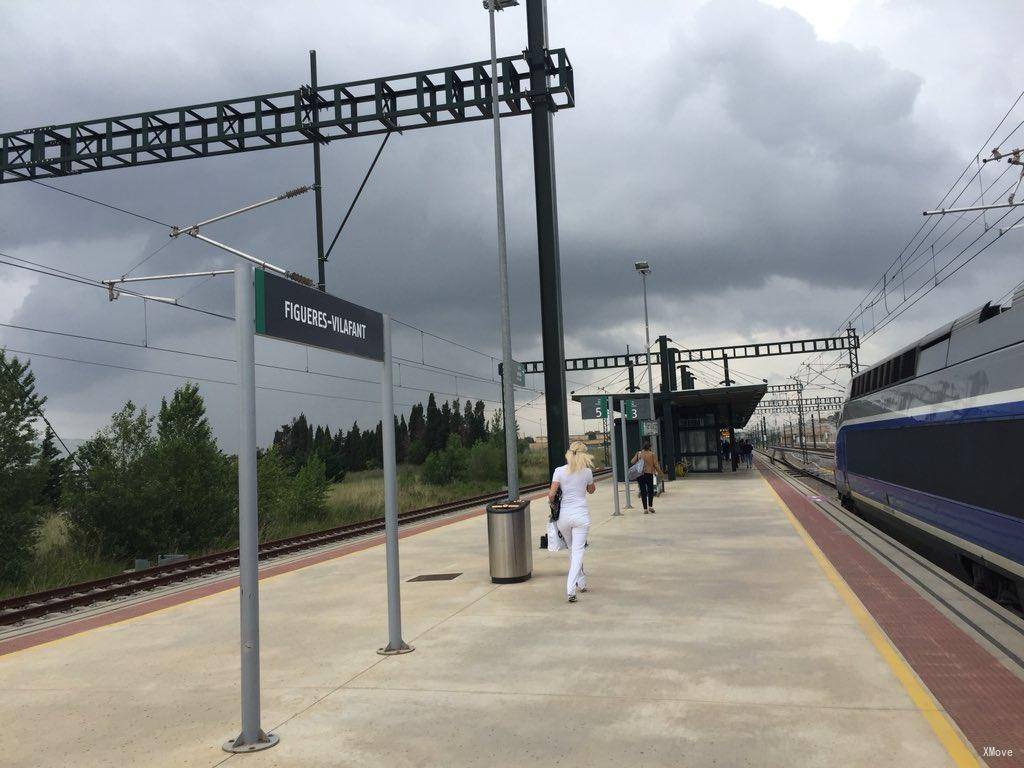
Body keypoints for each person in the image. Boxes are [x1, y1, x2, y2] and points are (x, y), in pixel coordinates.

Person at [548, 440, 597, 603]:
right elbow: (591, 490)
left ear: (569, 453)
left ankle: (581, 582)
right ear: (584, 455)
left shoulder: (559, 471)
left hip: (564, 518)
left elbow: (551, 494)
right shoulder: (587, 472)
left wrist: (552, 504)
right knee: (578, 551)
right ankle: (570, 590)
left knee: (573, 550)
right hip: (581, 517)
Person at [631, 439, 664, 514]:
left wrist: (637, 456)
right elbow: (656, 465)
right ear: (649, 447)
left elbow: (632, 461)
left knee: (643, 491)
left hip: (640, 475)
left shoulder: (639, 453)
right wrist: (661, 473)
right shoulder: (652, 454)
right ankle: (650, 506)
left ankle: (645, 509)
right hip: (649, 474)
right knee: (650, 490)